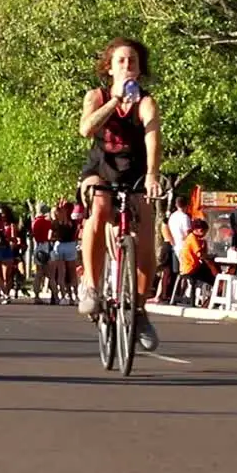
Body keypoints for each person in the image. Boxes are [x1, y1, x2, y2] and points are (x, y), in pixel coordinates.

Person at [76, 37, 162, 345]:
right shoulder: (96, 96)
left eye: (133, 62)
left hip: (135, 171)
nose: (127, 66)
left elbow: (153, 138)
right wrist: (114, 101)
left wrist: (152, 175)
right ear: (109, 68)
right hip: (101, 168)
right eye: (121, 61)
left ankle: (139, 310)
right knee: (98, 207)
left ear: (140, 70)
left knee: (147, 239)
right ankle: (90, 283)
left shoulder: (146, 102)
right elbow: (87, 129)